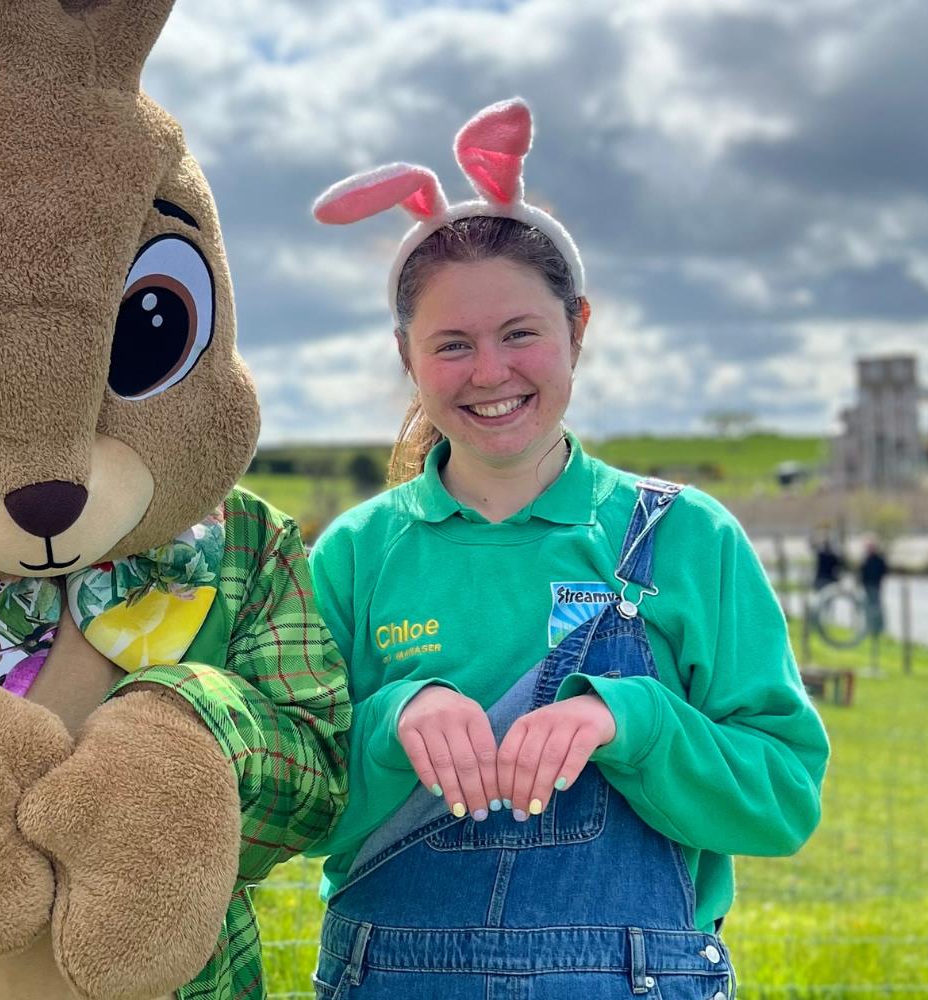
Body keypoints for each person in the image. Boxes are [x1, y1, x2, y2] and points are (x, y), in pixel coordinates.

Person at [305, 99, 828, 998]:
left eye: (520, 334)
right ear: (406, 356)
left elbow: (783, 799)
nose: (490, 372)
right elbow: (296, 813)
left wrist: (632, 722)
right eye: (452, 344)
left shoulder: (688, 539)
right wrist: (395, 719)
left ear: (577, 328)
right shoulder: (354, 554)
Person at [859, 538, 889, 640]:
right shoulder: (865, 559)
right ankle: (870, 628)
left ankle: (879, 629)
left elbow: (884, 571)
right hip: (867, 587)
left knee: (877, 608)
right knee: (868, 608)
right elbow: (862, 573)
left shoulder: (879, 559)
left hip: (876, 586)